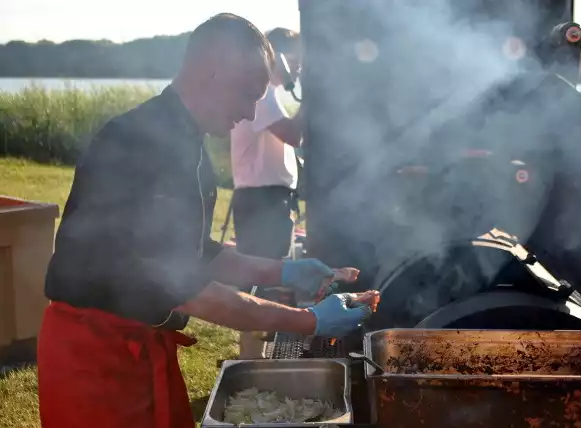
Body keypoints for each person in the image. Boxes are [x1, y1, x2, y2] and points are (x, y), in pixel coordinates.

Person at [37, 14, 371, 428]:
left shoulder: (187, 143)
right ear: (211, 70)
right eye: (248, 95)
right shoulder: (141, 142)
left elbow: (198, 253)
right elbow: (186, 288)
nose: (251, 114)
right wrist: (309, 321)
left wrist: (282, 269)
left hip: (141, 344)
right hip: (94, 356)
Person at [229, 27, 304, 359]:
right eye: (296, 58)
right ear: (280, 58)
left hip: (269, 199)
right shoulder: (265, 96)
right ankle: (250, 363)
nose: (300, 67)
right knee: (263, 284)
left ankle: (255, 359)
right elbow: (294, 134)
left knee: (267, 283)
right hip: (263, 201)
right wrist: (314, 96)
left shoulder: (270, 96)